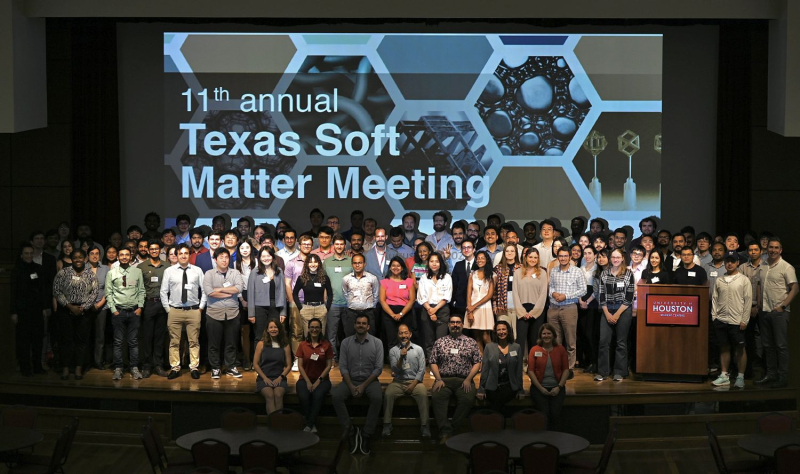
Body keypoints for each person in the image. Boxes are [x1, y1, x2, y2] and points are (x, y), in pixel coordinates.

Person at [332, 314, 384, 455]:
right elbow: (343, 367)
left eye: (364, 323)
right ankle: (349, 430)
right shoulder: (345, 343)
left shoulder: (377, 343)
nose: (361, 325)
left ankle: (367, 433)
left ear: (368, 326)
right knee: (336, 395)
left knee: (378, 398)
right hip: (351, 380)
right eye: (358, 323)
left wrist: (363, 386)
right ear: (354, 325)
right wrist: (350, 386)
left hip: (370, 381)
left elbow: (378, 368)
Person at [430, 313, 482, 444]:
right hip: (444, 380)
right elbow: (433, 361)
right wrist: (438, 379)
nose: (455, 325)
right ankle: (447, 430)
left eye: (458, 322)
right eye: (452, 322)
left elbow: (477, 362)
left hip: (464, 380)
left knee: (468, 398)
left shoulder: (470, 342)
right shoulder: (440, 342)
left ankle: (449, 429)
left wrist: (469, 379)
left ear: (462, 325)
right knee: (437, 397)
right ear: (448, 325)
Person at [755, 238, 798, 388]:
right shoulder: (763, 264)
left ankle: (783, 377)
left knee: (781, 345)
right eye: (771, 247)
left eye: (776, 248)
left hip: (779, 312)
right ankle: (771, 375)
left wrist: (783, 306)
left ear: (780, 250)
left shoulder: (787, 267)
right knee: (768, 346)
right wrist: (759, 302)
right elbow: (760, 284)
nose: (773, 250)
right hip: (764, 311)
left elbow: (795, 288)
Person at [160, 244, 207, 379]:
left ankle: (194, 367)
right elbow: (163, 292)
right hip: (174, 310)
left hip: (193, 310)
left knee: (194, 341)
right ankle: (175, 368)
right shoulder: (169, 271)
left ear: (189, 255)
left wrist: (201, 308)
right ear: (176, 255)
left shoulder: (197, 270)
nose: (183, 256)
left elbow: (204, 291)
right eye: (180, 253)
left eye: (186, 253)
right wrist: (168, 309)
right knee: (174, 342)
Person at [53, 249, 98, 380]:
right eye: (75, 258)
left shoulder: (90, 274)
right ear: (71, 259)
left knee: (82, 341)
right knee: (66, 340)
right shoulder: (63, 273)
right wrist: (69, 306)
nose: (78, 260)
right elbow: (56, 291)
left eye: (80, 257)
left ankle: (79, 368)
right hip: (66, 310)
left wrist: (83, 308)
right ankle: (66, 368)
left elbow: (94, 293)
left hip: (84, 312)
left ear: (85, 259)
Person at [203, 248, 245, 379]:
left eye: (226, 257)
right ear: (215, 260)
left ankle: (231, 366)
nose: (224, 260)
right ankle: (215, 368)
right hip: (214, 313)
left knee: (231, 342)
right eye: (221, 257)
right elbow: (209, 292)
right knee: (214, 343)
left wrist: (220, 289)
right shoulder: (209, 274)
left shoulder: (235, 272)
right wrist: (229, 292)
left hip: (233, 312)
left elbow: (239, 288)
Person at [710, 255, 752, 389]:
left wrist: (744, 320)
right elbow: (715, 299)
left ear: (737, 263)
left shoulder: (744, 280)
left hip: (737, 321)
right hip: (721, 320)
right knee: (724, 347)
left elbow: (748, 301)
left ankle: (740, 376)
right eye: (727, 262)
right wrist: (714, 316)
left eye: (732, 262)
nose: (729, 264)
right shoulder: (719, 280)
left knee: (740, 349)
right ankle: (724, 375)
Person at [105, 247, 146, 381]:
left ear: (130, 257)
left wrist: (140, 307)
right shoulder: (112, 272)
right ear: (117, 257)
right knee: (118, 342)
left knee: (133, 342)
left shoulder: (137, 271)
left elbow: (141, 291)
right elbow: (108, 293)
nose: (123, 257)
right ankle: (118, 368)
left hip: (134, 311)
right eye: (121, 255)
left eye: (126, 255)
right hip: (119, 311)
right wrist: (113, 310)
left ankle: (134, 368)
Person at [383, 324, 430, 438]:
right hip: (398, 382)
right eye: (400, 333)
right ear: (397, 335)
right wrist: (400, 356)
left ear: (410, 334)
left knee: (423, 394)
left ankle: (425, 425)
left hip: (415, 382)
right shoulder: (393, 350)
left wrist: (413, 384)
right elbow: (395, 369)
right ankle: (387, 424)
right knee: (388, 394)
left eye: (405, 333)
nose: (403, 335)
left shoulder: (418, 349)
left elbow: (422, 369)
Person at [595, 248, 635, 382]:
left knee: (621, 343)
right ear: (610, 259)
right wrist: (607, 313)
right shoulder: (604, 274)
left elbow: (629, 297)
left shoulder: (628, 274)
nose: (615, 259)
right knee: (603, 342)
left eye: (618, 257)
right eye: (613, 257)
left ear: (622, 258)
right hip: (607, 310)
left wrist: (617, 314)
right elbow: (601, 295)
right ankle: (603, 372)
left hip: (623, 310)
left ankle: (619, 372)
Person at [10, 244, 49, 376]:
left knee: (37, 340)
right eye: (26, 253)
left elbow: (42, 290)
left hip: (37, 310)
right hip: (22, 311)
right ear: (21, 255)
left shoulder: (38, 269)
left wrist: (44, 307)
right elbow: (13, 293)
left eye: (31, 253)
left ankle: (37, 366)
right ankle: (25, 368)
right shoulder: (17, 270)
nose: (29, 256)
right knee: (23, 341)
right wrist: (13, 312)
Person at [548, 247, 586, 376]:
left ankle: (569, 368)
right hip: (553, 307)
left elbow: (583, 290)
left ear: (570, 257)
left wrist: (566, 296)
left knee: (570, 340)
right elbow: (550, 287)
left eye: (565, 256)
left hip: (569, 307)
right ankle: (556, 366)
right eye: (561, 256)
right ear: (557, 257)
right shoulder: (553, 271)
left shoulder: (577, 272)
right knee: (555, 340)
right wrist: (553, 293)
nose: (563, 258)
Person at [528, 323, 570, 429]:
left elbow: (566, 370)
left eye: (549, 333)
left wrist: (559, 387)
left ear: (553, 335)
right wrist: (541, 389)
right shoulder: (534, 349)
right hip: (538, 389)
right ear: (540, 335)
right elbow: (531, 371)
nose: (546, 336)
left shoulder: (560, 349)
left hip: (557, 388)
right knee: (544, 415)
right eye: (544, 333)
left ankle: (556, 441)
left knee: (555, 414)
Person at [478, 320, 525, 413]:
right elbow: (485, 370)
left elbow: (518, 370)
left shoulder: (516, 347)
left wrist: (520, 389)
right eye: (498, 330)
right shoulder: (489, 347)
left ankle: (494, 422)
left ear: (508, 331)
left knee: (499, 401)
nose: (501, 332)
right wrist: (481, 389)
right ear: (495, 332)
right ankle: (499, 422)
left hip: (509, 385)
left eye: (503, 329)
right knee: (497, 400)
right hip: (492, 385)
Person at [295, 317, 333, 432]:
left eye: (317, 327)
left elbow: (328, 366)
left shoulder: (326, 345)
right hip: (305, 379)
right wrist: (307, 382)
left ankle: (309, 424)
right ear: (308, 329)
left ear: (321, 329)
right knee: (304, 396)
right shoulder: (303, 345)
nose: (314, 329)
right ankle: (311, 424)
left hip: (322, 381)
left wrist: (318, 381)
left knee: (317, 396)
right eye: (312, 327)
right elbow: (300, 366)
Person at [247, 247, 287, 355]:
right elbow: (250, 293)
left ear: (272, 257)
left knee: (275, 334)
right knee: (259, 336)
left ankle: (274, 360)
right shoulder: (255, 272)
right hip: (259, 308)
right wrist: (251, 313)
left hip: (275, 306)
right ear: (259, 258)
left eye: (268, 256)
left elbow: (282, 292)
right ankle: (258, 362)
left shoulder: (279, 271)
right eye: (263, 256)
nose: (266, 258)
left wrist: (283, 312)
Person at [139, 240, 168, 378]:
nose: (154, 251)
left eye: (157, 249)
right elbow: (139, 287)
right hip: (148, 304)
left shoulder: (167, 266)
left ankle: (158, 365)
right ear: (148, 251)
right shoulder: (141, 267)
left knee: (160, 337)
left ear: (160, 250)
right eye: (152, 249)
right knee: (147, 336)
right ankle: (146, 366)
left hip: (163, 304)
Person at [417, 252, 453, 360]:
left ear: (441, 263)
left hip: (442, 309)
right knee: (429, 340)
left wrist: (435, 309)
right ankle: (432, 365)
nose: (434, 264)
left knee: (441, 339)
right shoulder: (424, 277)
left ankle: (440, 364)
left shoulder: (447, 277)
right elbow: (421, 296)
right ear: (428, 263)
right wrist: (430, 309)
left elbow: (447, 296)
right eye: (431, 261)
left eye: (437, 261)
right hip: (426, 309)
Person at [323, 234, 353, 361]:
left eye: (341, 244)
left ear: (344, 246)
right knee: (331, 335)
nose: (339, 246)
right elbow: (323, 283)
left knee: (349, 335)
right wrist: (325, 301)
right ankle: (333, 358)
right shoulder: (327, 262)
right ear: (333, 246)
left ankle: (347, 359)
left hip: (348, 303)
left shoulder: (351, 261)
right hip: (332, 303)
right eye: (337, 244)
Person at [253, 320, 292, 413]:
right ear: (267, 330)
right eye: (271, 327)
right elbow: (255, 364)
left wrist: (280, 378)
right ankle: (273, 424)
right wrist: (265, 378)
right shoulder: (261, 344)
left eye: (275, 327)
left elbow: (289, 365)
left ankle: (278, 424)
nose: (273, 329)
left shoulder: (285, 345)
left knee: (278, 395)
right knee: (270, 395)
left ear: (279, 329)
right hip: (264, 378)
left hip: (279, 377)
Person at [293, 254, 333, 339]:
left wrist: (327, 308)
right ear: (307, 264)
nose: (313, 264)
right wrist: (300, 308)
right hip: (306, 309)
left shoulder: (324, 278)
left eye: (315, 262)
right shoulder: (301, 278)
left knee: (321, 336)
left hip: (321, 309)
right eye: (310, 262)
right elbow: (295, 293)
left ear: (319, 264)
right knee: (308, 336)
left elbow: (330, 294)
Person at [379, 256, 416, 349]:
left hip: (405, 312)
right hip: (389, 312)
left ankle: (406, 360)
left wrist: (401, 314)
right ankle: (393, 362)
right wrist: (392, 315)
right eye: (393, 265)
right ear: (390, 267)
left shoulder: (409, 281)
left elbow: (412, 300)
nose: (395, 268)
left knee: (405, 338)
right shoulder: (384, 282)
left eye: (398, 266)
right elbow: (382, 300)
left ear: (402, 267)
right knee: (391, 339)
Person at [342, 253, 380, 337]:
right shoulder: (346, 279)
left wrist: (371, 306)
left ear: (364, 264)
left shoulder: (372, 278)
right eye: (355, 263)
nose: (357, 265)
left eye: (360, 263)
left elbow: (376, 294)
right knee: (350, 337)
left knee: (370, 337)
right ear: (352, 264)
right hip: (352, 312)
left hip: (368, 312)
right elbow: (345, 293)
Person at [464, 251, 495, 354]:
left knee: (486, 336)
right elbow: (468, 293)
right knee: (477, 337)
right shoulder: (472, 274)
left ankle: (492, 359)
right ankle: (481, 362)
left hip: (485, 307)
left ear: (487, 260)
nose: (480, 260)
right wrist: (469, 311)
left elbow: (489, 295)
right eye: (478, 258)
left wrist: (474, 307)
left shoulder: (492, 275)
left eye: (482, 258)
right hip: (472, 307)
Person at [86, 246, 110, 370]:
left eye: (97, 253)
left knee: (100, 336)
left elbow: (108, 288)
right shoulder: (83, 268)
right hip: (85, 306)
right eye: (92, 253)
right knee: (86, 334)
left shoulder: (105, 268)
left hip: (102, 305)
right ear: (88, 255)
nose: (94, 256)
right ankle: (87, 362)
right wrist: (89, 304)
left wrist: (100, 303)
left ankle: (98, 361)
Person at [236, 238, 257, 370]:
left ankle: (257, 360)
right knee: (245, 331)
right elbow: (235, 284)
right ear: (239, 250)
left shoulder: (258, 263)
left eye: (247, 248)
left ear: (251, 249)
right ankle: (247, 360)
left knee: (257, 331)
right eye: (242, 248)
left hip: (257, 296)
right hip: (241, 296)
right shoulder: (235, 264)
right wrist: (242, 300)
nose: (245, 250)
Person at [492, 244, 521, 337]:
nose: (510, 253)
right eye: (507, 251)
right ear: (504, 253)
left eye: (512, 251)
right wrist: (495, 304)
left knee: (517, 334)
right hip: (502, 306)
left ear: (516, 253)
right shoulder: (498, 268)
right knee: (503, 333)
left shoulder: (521, 268)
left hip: (518, 305)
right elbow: (494, 289)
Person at [578, 246, 598, 373]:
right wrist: (580, 300)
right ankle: (586, 361)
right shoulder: (581, 269)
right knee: (582, 332)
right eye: (585, 253)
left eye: (590, 253)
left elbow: (597, 289)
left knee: (591, 333)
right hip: (581, 301)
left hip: (593, 303)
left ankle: (594, 362)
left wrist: (587, 301)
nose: (587, 256)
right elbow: (578, 286)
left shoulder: (597, 269)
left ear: (595, 255)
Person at [450, 238, 477, 320]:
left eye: (469, 247)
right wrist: (453, 301)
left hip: (476, 302)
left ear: (474, 249)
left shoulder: (479, 264)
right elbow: (454, 285)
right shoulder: (458, 265)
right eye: (464, 248)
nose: (466, 250)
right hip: (460, 303)